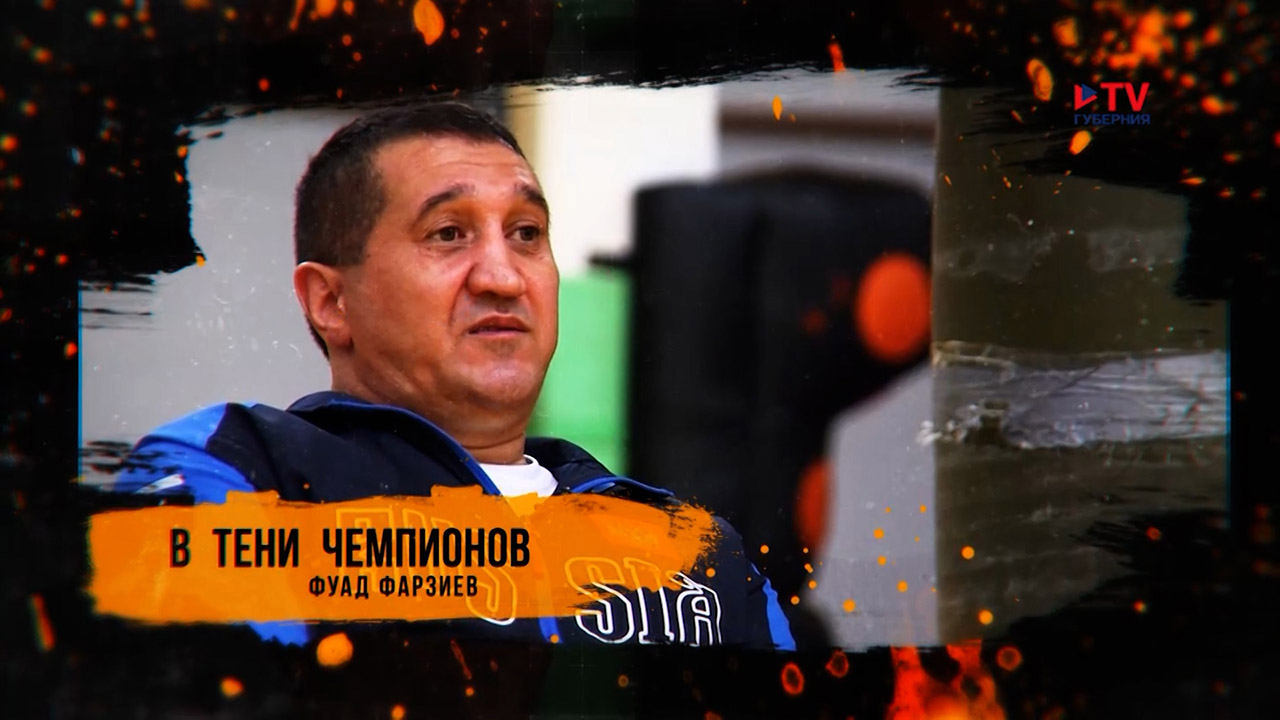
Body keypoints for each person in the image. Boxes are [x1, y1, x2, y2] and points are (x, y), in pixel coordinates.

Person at [111, 101, 795, 652]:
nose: (503, 277)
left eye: (526, 233)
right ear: (331, 301)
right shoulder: (237, 470)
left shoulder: (697, 553)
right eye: (448, 233)